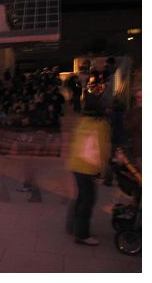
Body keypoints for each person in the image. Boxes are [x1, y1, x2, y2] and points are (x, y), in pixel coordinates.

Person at [66, 94, 111, 246]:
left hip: (76, 165)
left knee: (81, 197)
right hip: (88, 167)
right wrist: (103, 169)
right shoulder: (101, 124)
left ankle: (73, 227)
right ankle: (82, 235)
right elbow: (103, 149)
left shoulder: (82, 122)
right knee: (88, 200)